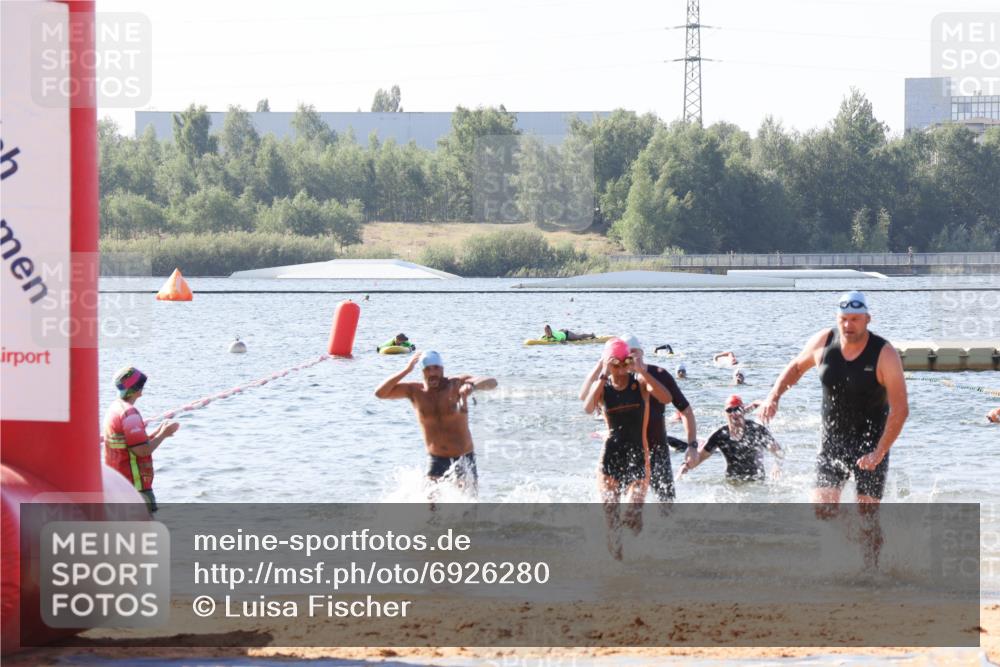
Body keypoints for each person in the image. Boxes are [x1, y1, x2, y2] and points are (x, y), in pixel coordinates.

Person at [757, 291, 908, 568]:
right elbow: (795, 367)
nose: (848, 325)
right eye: (843, 320)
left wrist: (879, 452)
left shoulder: (884, 353)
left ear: (867, 319)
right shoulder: (824, 341)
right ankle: (857, 542)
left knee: (868, 514)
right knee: (823, 510)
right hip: (833, 441)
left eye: (854, 319)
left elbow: (900, 410)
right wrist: (773, 396)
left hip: (871, 443)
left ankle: (871, 570)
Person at [582, 338, 672, 558]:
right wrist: (602, 373)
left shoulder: (639, 382)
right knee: (612, 521)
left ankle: (641, 554)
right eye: (616, 364)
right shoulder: (603, 387)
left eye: (624, 364)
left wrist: (643, 370)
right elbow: (587, 407)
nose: (621, 370)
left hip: (638, 457)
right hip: (610, 458)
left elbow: (666, 398)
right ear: (608, 363)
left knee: (632, 515)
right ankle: (617, 568)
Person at [582, 335, 697, 503]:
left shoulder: (657, 375)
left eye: (634, 353)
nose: (630, 359)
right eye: (626, 355)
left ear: (642, 353)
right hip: (625, 450)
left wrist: (692, 445)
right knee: (617, 504)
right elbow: (585, 398)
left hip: (657, 450)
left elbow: (685, 410)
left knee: (666, 505)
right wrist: (602, 364)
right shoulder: (610, 381)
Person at [374, 351, 496, 495]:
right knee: (431, 509)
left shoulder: (455, 384)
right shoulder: (415, 391)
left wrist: (472, 386)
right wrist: (406, 370)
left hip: (464, 457)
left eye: (436, 368)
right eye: (428, 369)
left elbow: (492, 382)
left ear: (442, 369)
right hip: (436, 459)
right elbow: (380, 393)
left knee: (469, 508)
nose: (432, 372)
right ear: (422, 372)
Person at [102, 367, 180, 513]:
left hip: (117, 485)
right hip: (135, 489)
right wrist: (163, 435)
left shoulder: (113, 409)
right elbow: (142, 450)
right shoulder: (129, 413)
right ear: (137, 389)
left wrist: (156, 433)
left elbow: (128, 445)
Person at [679, 395, 782, 482]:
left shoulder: (756, 430)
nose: (734, 413)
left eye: (737, 409)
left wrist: (776, 465)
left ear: (743, 411)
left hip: (756, 482)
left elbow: (779, 452)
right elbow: (699, 458)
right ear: (725, 413)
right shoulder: (720, 435)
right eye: (729, 410)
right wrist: (686, 466)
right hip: (733, 482)